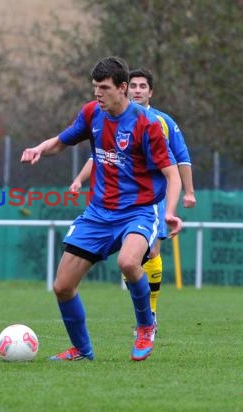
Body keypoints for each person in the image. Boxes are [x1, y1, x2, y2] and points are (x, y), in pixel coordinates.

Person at [21, 56, 182, 361]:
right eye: (95, 87)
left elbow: (172, 174)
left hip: (138, 211)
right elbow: (61, 142)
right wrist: (40, 148)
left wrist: (171, 211)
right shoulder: (92, 113)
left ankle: (146, 325)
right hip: (97, 214)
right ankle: (82, 350)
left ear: (122, 88)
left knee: (127, 262)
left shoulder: (146, 125)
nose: (98, 93)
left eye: (104, 88)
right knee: (62, 286)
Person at [69, 67, 196, 331]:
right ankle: (144, 313)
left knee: (150, 251)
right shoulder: (108, 116)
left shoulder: (160, 121)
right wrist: (80, 180)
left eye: (143, 86)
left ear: (150, 92)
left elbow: (181, 158)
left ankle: (151, 311)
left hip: (152, 195)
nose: (138, 90)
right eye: (135, 85)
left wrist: (189, 192)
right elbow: (99, 156)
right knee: (134, 260)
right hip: (115, 198)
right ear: (128, 88)